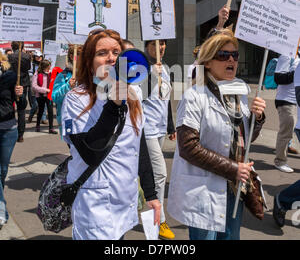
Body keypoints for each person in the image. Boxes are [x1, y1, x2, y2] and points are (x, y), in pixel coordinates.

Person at [60, 29, 160, 240]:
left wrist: (151, 194)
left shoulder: (133, 96)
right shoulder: (75, 99)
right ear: (89, 62)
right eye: (102, 53)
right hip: (95, 205)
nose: (111, 58)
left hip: (125, 201)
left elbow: (138, 147)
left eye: (116, 51)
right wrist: (113, 106)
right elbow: (90, 153)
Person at [167, 29, 266, 240]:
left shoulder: (239, 93)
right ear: (208, 62)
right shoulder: (194, 96)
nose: (231, 59)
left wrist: (257, 119)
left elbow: (244, 141)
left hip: (234, 188)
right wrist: (233, 168)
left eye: (235, 55)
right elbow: (188, 147)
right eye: (223, 55)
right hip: (204, 188)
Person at [141, 39, 176, 239]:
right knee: (160, 174)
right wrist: (152, 75)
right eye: (156, 43)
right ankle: (159, 220)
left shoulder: (167, 67)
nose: (161, 46)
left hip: (160, 128)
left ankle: (140, 194)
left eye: (163, 43)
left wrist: (170, 125)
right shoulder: (141, 66)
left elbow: (165, 99)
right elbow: (139, 96)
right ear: (147, 46)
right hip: (146, 129)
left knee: (150, 172)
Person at [0, 53, 25, 229]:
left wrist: (21, 94)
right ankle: (1, 211)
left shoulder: (10, 76)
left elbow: (22, 105)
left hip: (7, 129)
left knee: (2, 171)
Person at [273, 54, 300, 172]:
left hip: (296, 102)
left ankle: (284, 151)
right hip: (286, 100)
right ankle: (280, 161)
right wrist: (296, 73)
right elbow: (278, 78)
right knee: (286, 133)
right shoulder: (287, 55)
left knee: (291, 131)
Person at [52, 45, 82, 137]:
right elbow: (55, 97)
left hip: (86, 119)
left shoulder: (90, 74)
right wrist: (67, 86)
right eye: (81, 55)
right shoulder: (63, 76)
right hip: (69, 119)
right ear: (72, 56)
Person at [8, 41, 31, 142]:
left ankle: (11, 130)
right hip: (23, 84)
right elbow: (28, 68)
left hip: (12, 84)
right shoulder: (27, 56)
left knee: (11, 108)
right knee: (21, 110)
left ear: (12, 47)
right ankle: (20, 134)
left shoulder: (10, 57)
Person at [31, 60, 57, 134]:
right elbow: (34, 86)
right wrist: (45, 90)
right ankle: (38, 125)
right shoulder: (37, 73)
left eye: (50, 67)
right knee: (41, 110)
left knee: (50, 111)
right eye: (48, 67)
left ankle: (51, 128)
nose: (49, 69)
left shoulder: (51, 73)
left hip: (49, 96)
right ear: (44, 67)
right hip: (40, 95)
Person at [28, 52, 47, 124]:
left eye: (40, 56)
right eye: (37, 56)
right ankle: (31, 115)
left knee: (44, 103)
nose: (38, 58)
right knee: (36, 104)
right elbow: (29, 74)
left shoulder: (44, 64)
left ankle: (43, 118)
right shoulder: (31, 65)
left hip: (43, 86)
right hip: (35, 86)